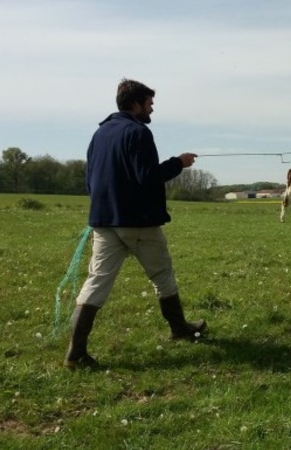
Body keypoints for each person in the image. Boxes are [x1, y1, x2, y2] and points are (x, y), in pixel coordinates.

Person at [65, 78, 208, 368]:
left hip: (103, 221)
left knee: (96, 282)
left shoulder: (100, 134)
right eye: (149, 103)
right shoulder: (139, 132)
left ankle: (75, 353)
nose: (152, 108)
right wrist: (178, 163)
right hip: (138, 222)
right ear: (135, 104)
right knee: (162, 274)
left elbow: (90, 180)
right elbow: (148, 177)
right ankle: (179, 328)